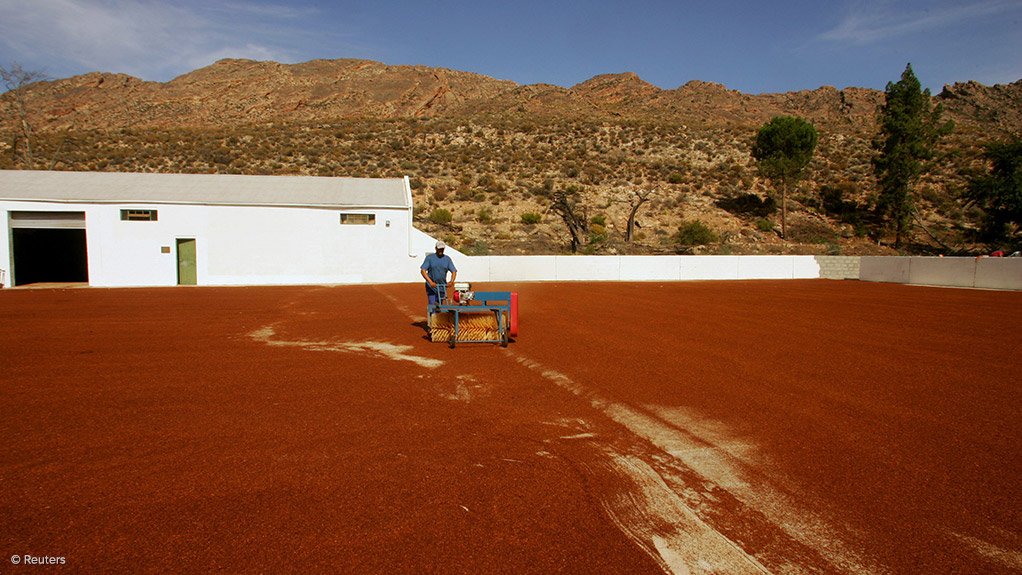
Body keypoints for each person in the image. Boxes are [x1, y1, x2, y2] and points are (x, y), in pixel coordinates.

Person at [420, 240, 457, 312]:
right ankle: (433, 321)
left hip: (442, 286)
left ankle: (438, 320)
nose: (441, 250)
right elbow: (423, 270)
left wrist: (451, 281)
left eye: (442, 249)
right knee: (432, 304)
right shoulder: (430, 258)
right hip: (432, 286)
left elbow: (454, 271)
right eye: (439, 249)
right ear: (436, 248)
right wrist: (430, 282)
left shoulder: (447, 259)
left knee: (439, 305)